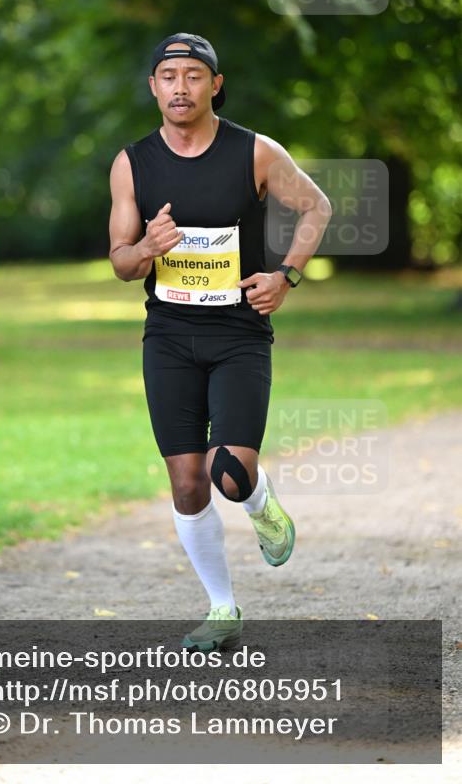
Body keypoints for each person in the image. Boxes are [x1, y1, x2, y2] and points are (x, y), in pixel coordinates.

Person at [108, 33, 333, 651]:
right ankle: (222, 608)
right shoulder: (132, 163)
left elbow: (316, 208)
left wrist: (285, 275)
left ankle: (261, 506)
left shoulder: (254, 153)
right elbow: (121, 263)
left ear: (215, 83)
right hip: (169, 337)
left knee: (229, 473)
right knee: (187, 482)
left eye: (193, 76)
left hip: (238, 335)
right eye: (168, 76)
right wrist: (146, 250)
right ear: (153, 87)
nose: (181, 87)